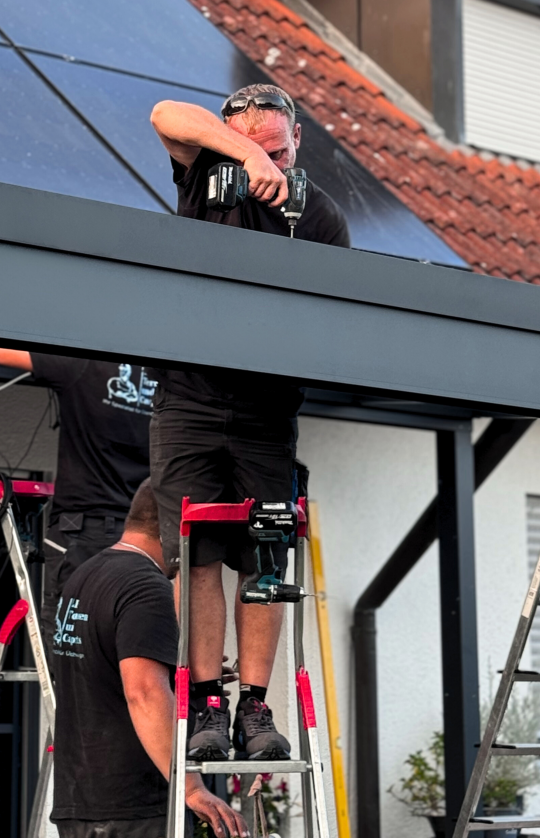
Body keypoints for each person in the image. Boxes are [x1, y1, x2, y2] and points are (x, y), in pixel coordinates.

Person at [147, 84, 350, 762]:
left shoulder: (319, 213)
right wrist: (239, 151)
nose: (271, 165)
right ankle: (206, 702)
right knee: (195, 554)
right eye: (260, 151)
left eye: (281, 151)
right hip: (188, 399)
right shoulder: (207, 169)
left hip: (266, 411)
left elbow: (331, 314)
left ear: (300, 141)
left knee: (266, 554)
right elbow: (164, 116)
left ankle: (255, 709)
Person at [50, 480, 248, 838]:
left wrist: (172, 670)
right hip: (135, 809)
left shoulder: (85, 576)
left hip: (82, 803)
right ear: (175, 526)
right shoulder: (145, 586)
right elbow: (143, 691)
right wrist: (190, 787)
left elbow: (102, 667)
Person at [0, 348, 154, 650]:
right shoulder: (165, 380)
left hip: (83, 532)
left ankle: (70, 697)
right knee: (122, 633)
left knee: (70, 639)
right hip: (142, 537)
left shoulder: (85, 363)